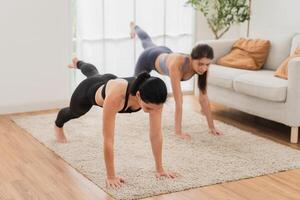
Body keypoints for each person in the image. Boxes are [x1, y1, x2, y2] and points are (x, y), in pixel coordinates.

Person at [54, 58, 177, 188]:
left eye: (156, 108)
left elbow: (156, 134)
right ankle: (58, 125)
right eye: (148, 108)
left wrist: (160, 169)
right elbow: (108, 139)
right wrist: (111, 176)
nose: (153, 111)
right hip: (88, 91)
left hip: (110, 80)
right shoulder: (116, 97)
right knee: (74, 111)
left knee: (94, 73)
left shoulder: (156, 99)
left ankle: (77, 63)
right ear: (139, 95)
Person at [130, 22, 223, 140]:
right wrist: (178, 132)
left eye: (207, 64)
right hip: (148, 58)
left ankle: (135, 27)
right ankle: (135, 27)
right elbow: (179, 101)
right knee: (132, 89)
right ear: (191, 58)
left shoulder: (202, 68)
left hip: (164, 51)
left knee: (148, 42)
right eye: (200, 64)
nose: (204, 68)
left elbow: (203, 99)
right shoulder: (177, 65)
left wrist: (212, 127)